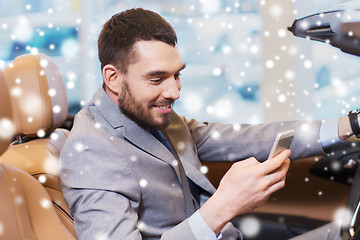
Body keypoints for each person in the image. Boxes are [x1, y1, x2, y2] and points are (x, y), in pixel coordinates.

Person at [59, 8, 358, 240]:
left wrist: (348, 125)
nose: (174, 92)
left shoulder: (152, 112)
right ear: (113, 78)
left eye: (177, 75)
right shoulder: (90, 149)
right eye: (156, 78)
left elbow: (241, 139)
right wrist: (223, 206)